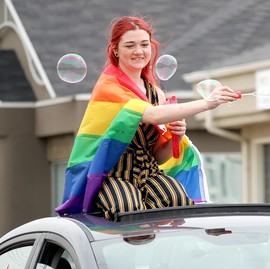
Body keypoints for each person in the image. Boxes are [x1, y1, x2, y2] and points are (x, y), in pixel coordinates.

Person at [55, 15, 239, 221]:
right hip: (112, 175)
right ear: (115, 49)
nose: (139, 51)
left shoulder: (155, 94)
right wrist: (207, 103)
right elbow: (150, 115)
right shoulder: (109, 87)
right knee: (128, 207)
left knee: (178, 202)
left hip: (148, 173)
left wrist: (176, 137)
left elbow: (159, 156)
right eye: (130, 45)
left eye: (144, 44)